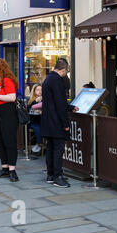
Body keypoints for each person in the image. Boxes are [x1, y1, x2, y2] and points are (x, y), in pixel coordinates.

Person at [41, 58, 78, 188]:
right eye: (66, 71)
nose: (65, 74)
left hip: (48, 120)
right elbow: (60, 103)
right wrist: (66, 124)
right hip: (56, 121)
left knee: (50, 148)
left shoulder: (48, 78)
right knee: (58, 149)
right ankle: (58, 176)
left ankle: (50, 175)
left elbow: (54, 101)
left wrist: (70, 107)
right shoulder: (57, 80)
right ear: (63, 69)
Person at [28, 84, 43, 154]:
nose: (40, 91)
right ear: (34, 91)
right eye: (38, 90)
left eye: (41, 90)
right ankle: (39, 144)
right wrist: (35, 102)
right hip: (33, 122)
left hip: (42, 122)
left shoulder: (45, 99)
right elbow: (29, 109)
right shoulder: (31, 101)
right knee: (37, 127)